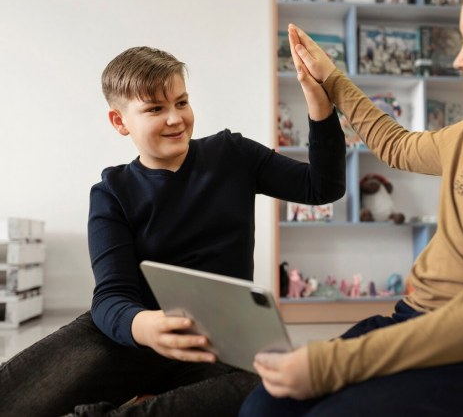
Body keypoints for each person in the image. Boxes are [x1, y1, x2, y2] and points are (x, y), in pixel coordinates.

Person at [0, 44, 346, 417]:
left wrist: (319, 104)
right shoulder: (111, 192)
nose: (175, 118)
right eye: (155, 109)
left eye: (181, 102)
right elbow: (111, 295)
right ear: (120, 121)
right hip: (133, 332)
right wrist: (145, 325)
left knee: (280, 387)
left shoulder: (234, 154)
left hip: (219, 341)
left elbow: (321, 186)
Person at [240, 0, 463, 415]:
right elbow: (396, 145)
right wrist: (332, 80)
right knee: (263, 407)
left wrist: (326, 364)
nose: (460, 58)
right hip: (415, 318)